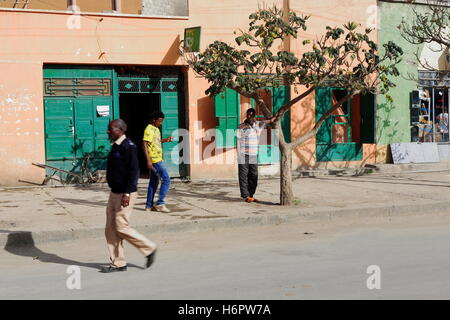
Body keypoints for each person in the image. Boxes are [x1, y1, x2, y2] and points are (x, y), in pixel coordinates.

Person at [103, 119, 157, 273]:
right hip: (114, 193)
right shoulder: (116, 146)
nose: (108, 131)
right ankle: (118, 263)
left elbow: (134, 171)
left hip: (125, 193)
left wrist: (127, 193)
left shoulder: (129, 146)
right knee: (110, 229)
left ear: (120, 130)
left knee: (121, 227)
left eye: (110, 129)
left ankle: (149, 248)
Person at [237, 108, 276, 203]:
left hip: (254, 154)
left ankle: (251, 194)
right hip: (243, 154)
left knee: (254, 175)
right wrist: (238, 154)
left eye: (251, 115)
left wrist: (275, 116)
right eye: (248, 115)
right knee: (243, 176)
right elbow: (238, 141)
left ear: (254, 116)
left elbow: (268, 121)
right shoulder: (241, 126)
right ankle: (245, 196)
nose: (249, 116)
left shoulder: (258, 125)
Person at [143, 111, 173, 213]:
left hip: (158, 158)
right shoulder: (149, 129)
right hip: (155, 160)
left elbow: (156, 142)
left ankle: (148, 206)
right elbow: (144, 144)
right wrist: (148, 160)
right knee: (166, 179)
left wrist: (166, 140)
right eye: (159, 121)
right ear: (154, 120)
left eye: (162, 121)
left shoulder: (156, 129)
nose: (161, 123)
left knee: (154, 182)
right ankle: (160, 203)